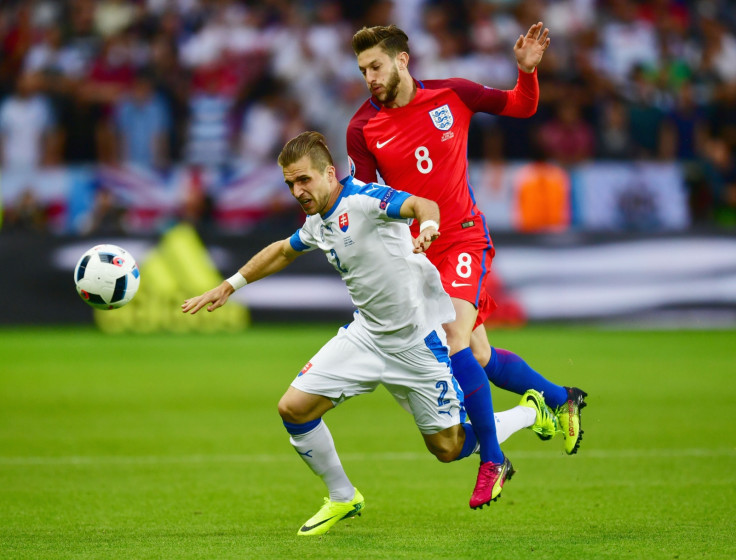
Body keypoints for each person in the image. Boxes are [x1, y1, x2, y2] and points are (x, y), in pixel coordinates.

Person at [182, 131, 559, 535]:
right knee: (293, 409)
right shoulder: (318, 222)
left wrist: (428, 225)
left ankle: (529, 410)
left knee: (448, 449)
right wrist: (229, 285)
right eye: (290, 183)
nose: (297, 191)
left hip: (417, 343)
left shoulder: (364, 199)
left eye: (304, 180)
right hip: (365, 336)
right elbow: (282, 250)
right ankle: (343, 496)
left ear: (329, 173)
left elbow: (419, 203)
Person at [347, 23, 587, 457]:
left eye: (376, 66)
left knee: (453, 335)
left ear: (402, 59)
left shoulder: (452, 94)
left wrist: (527, 72)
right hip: (420, 253)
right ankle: (561, 398)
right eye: (363, 70)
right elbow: (368, 201)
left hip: (461, 237)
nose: (370, 78)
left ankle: (493, 458)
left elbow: (521, 106)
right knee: (479, 355)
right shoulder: (362, 127)